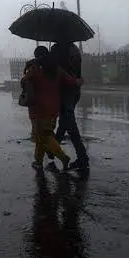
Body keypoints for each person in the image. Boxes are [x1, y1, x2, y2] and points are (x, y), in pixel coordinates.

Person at [21, 47, 83, 170]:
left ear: (36, 56)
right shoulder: (56, 69)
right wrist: (79, 81)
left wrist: (27, 71)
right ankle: (38, 161)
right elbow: (70, 81)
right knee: (41, 135)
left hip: (38, 108)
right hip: (53, 107)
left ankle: (63, 157)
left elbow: (23, 82)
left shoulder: (35, 69)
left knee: (44, 136)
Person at [50, 41, 89, 170]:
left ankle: (82, 158)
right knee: (64, 122)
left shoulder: (57, 49)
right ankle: (52, 150)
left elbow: (56, 71)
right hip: (74, 91)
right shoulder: (75, 49)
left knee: (70, 125)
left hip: (65, 90)